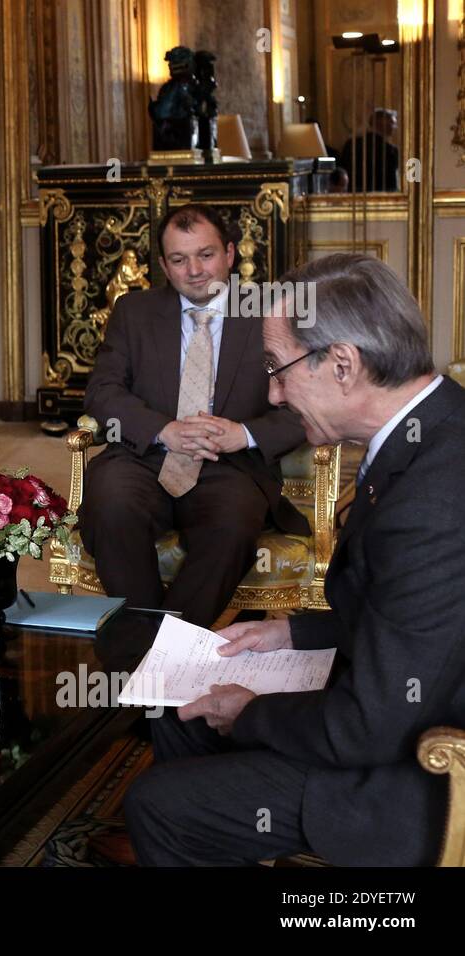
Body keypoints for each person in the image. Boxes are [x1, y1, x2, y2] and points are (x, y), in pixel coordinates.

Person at [125, 253, 465, 866]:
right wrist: (291, 631)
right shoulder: (437, 426)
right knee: (181, 716)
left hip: (411, 775)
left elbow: (369, 725)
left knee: (156, 803)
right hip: (403, 700)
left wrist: (252, 712)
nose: (275, 393)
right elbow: (410, 613)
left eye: (278, 370)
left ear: (342, 364)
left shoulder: (435, 500)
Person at [78, 203, 309, 628]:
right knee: (110, 504)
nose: (195, 270)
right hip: (143, 458)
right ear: (164, 266)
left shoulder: (270, 311)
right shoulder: (135, 311)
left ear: (230, 254)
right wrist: (164, 430)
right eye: (180, 260)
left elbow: (308, 400)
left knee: (233, 524)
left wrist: (245, 434)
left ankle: (161, 651)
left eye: (206, 255)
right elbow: (102, 391)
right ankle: (152, 656)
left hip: (233, 465)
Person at [338, 108, 400, 192]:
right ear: (382, 124)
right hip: (378, 197)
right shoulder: (390, 150)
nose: (395, 127)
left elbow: (342, 171)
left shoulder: (351, 144)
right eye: (393, 123)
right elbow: (391, 183)